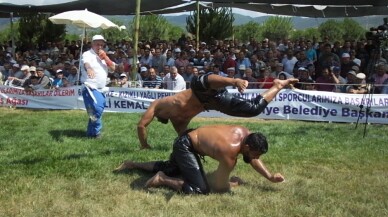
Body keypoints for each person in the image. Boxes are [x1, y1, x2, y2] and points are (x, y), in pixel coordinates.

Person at [137, 73, 298, 149]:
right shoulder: (178, 122)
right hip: (211, 102)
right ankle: (278, 85)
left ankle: (234, 80)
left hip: (199, 90)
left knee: (200, 82)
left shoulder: (157, 104)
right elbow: (186, 139)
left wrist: (144, 145)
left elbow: (141, 126)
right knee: (253, 109)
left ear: (157, 116)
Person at [115, 125, 285, 194]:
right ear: (247, 147)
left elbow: (252, 158)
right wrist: (232, 184)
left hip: (189, 137)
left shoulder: (245, 133)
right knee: (200, 189)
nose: (256, 159)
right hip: (186, 145)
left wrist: (270, 177)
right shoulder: (230, 153)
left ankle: (131, 164)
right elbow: (218, 185)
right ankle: (162, 179)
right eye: (256, 154)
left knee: (172, 167)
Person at [81, 35, 116, 139]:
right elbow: (86, 63)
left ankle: (90, 132)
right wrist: (89, 69)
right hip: (89, 87)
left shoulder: (104, 56)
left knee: (95, 111)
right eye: (97, 44)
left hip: (101, 89)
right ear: (92, 44)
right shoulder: (87, 54)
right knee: (97, 109)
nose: (99, 46)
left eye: (101, 44)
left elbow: (113, 68)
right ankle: (96, 133)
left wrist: (105, 58)